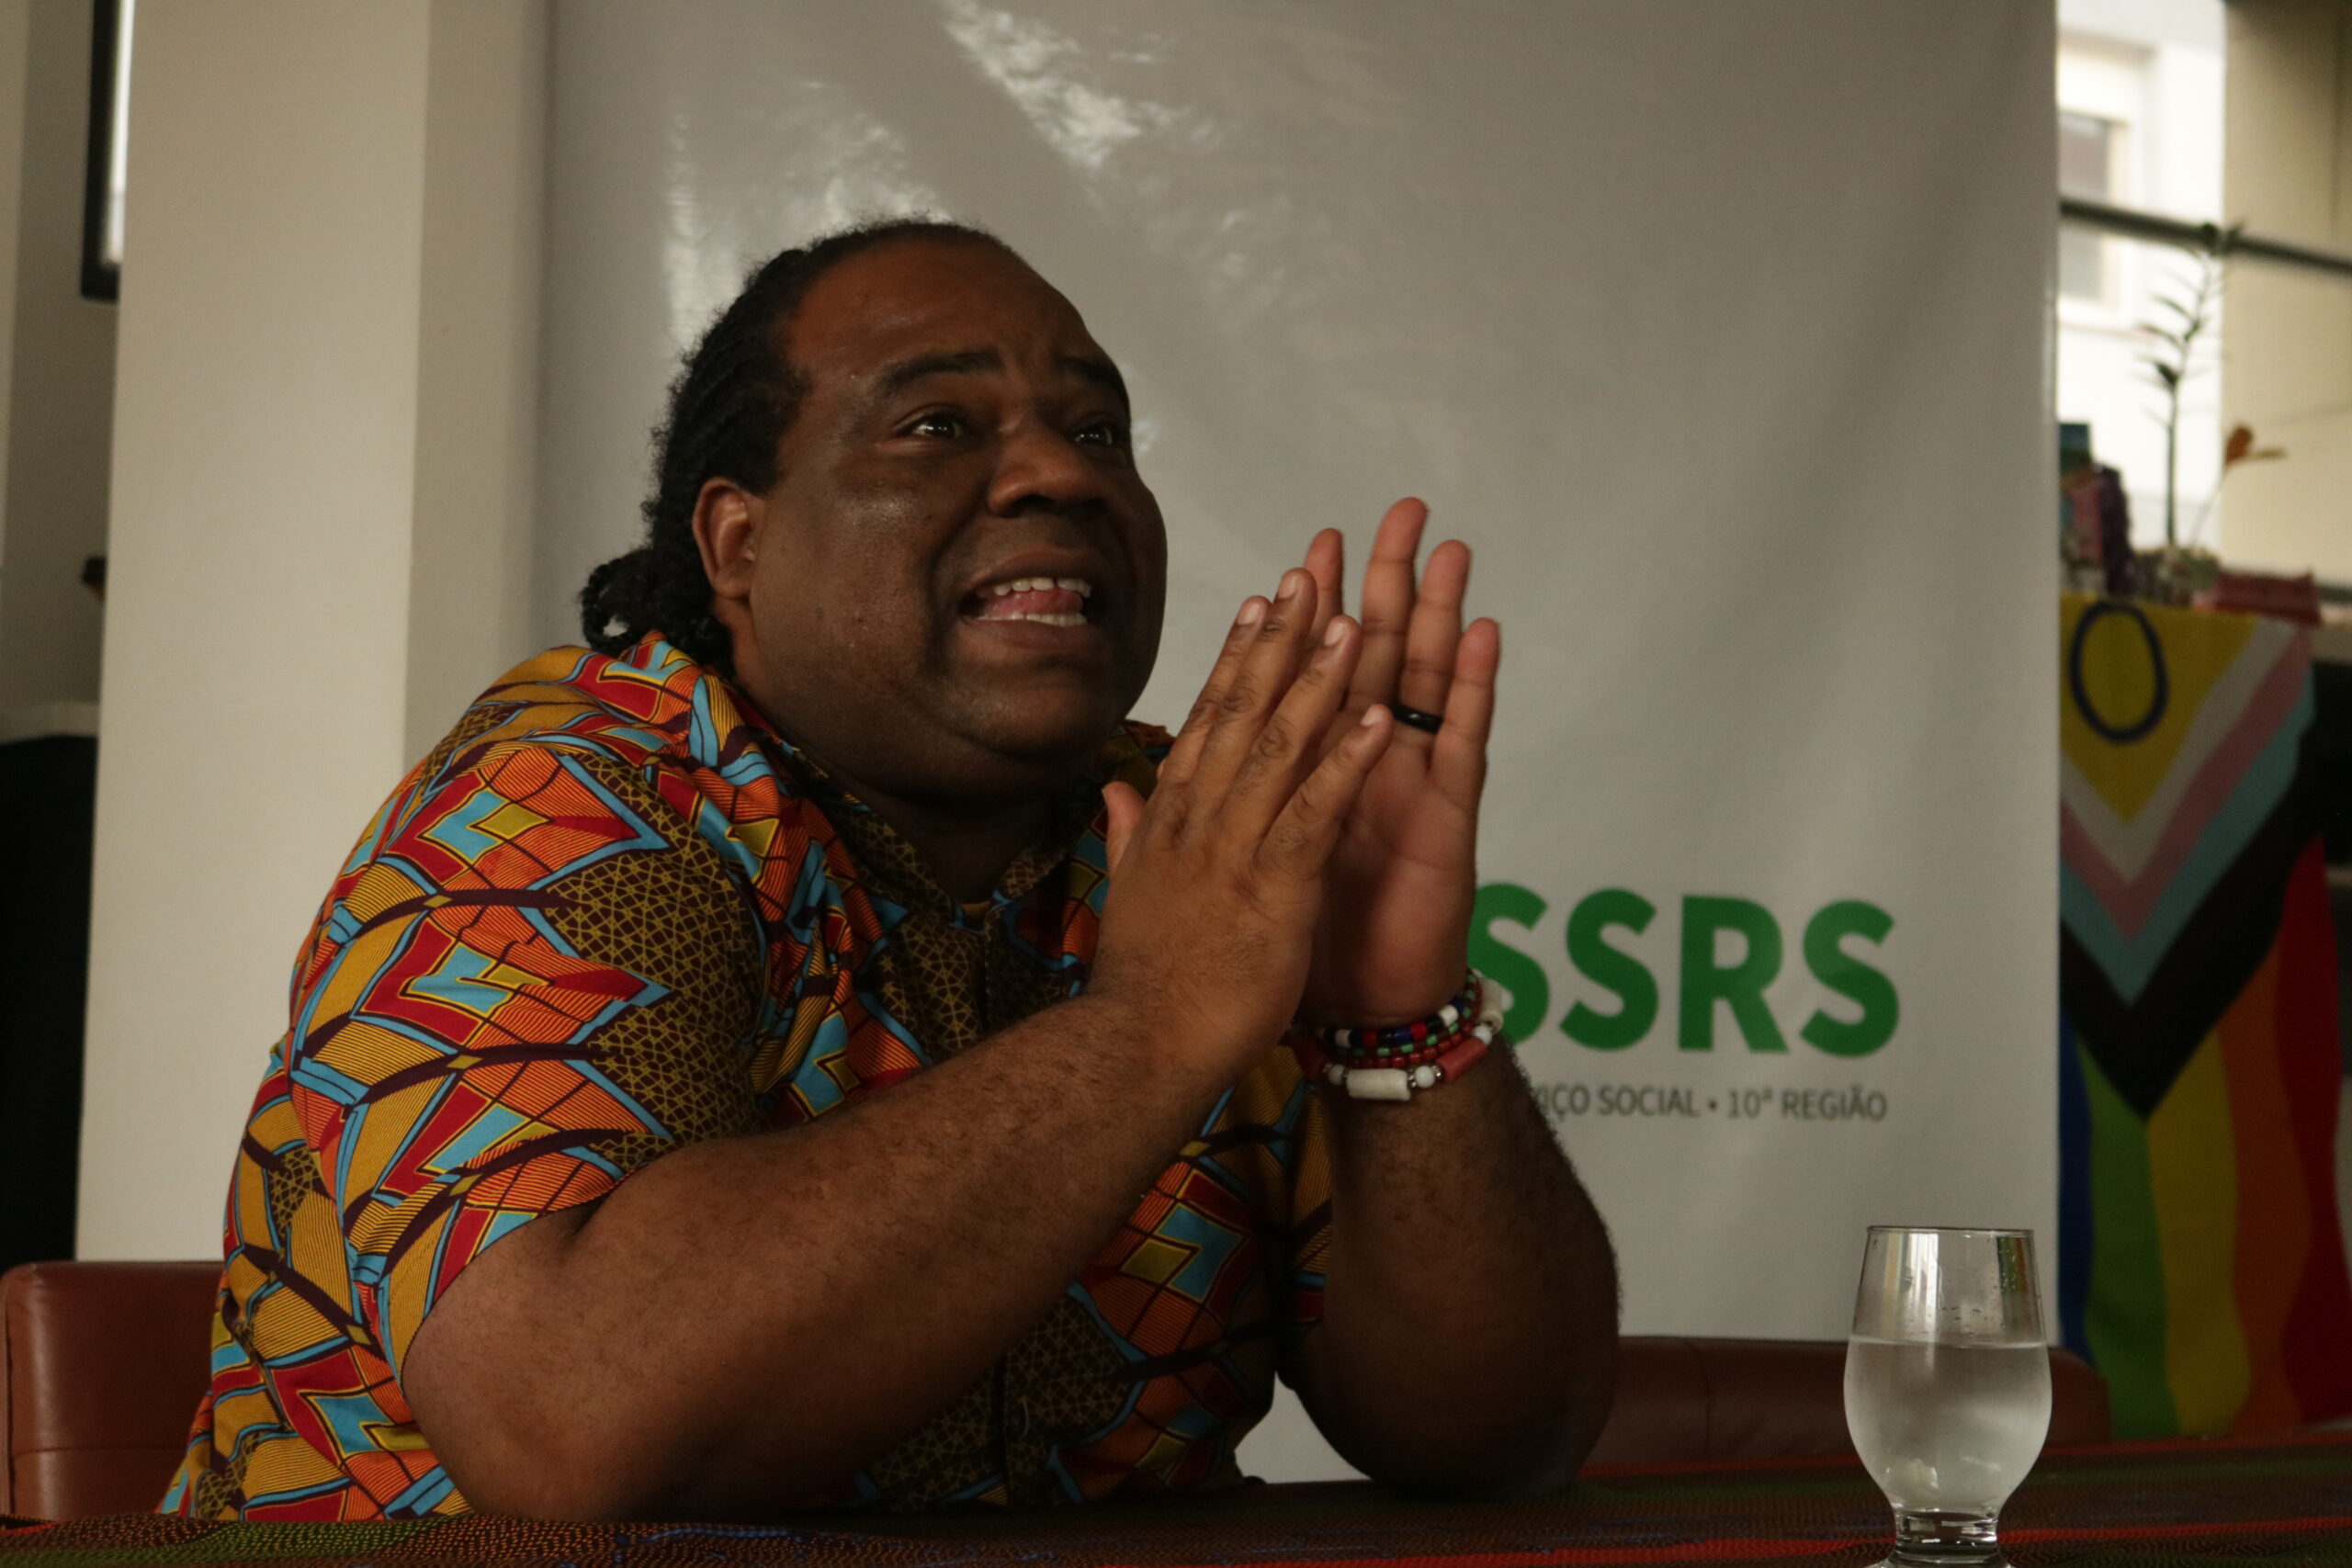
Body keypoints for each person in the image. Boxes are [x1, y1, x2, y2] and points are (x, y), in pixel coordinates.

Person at [163, 219, 1618, 1523]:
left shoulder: (1195, 831)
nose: (1061, 472)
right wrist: (1156, 1020)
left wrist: (1392, 1016)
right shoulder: (571, 804)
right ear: (739, 541)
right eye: (936, 425)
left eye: (1099, 430)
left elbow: (1495, 1440)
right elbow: (575, 1427)